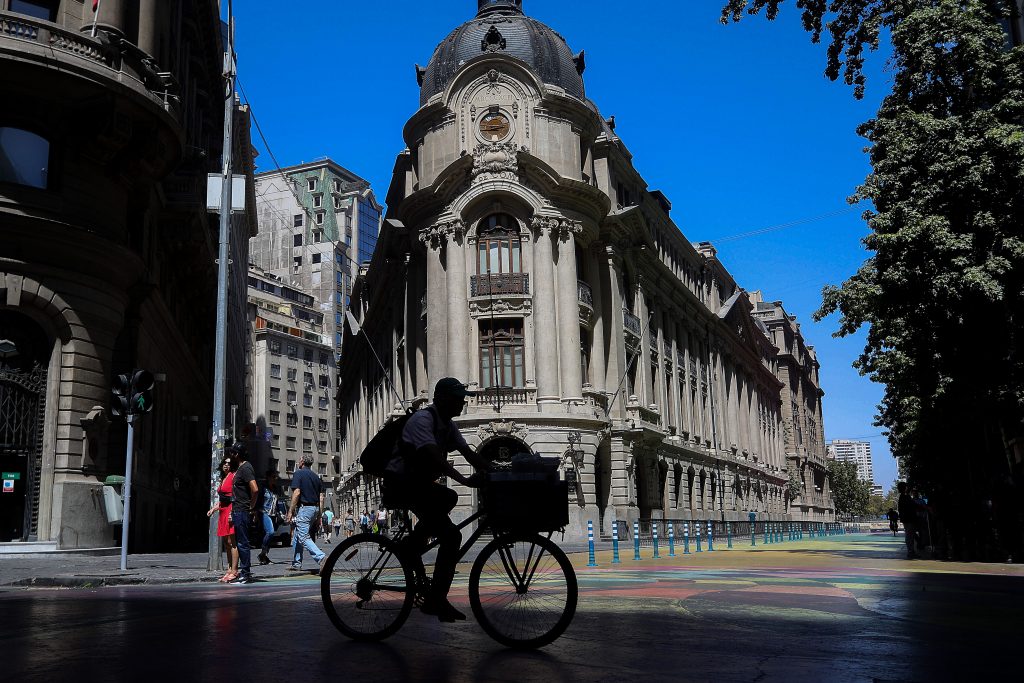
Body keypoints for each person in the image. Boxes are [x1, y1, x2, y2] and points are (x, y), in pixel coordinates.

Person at [383, 377, 490, 622]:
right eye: (458, 398)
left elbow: (469, 454)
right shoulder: (423, 420)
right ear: (441, 398)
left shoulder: (448, 425)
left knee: (449, 497)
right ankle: (436, 600)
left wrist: (497, 472)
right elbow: (434, 458)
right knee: (452, 537)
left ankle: (411, 547)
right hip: (401, 484)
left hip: (417, 485)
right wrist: (464, 480)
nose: (462, 403)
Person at [285, 453, 326, 572]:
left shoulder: (298, 473)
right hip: (315, 509)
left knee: (303, 537)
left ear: (302, 462)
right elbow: (321, 497)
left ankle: (322, 558)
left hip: (305, 508)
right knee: (298, 535)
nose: (298, 462)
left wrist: (290, 511)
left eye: (299, 460)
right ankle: (297, 563)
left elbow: (296, 493)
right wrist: (319, 515)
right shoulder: (316, 477)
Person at [228, 444, 259, 584]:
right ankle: (244, 572)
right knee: (240, 542)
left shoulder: (246, 468)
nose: (230, 456)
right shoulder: (241, 468)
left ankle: (245, 574)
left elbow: (255, 489)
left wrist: (251, 505)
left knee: (242, 543)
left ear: (237, 454)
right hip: (238, 510)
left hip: (242, 510)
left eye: (232, 454)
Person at [207, 456, 238, 582]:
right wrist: (213, 509)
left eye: (229, 463)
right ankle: (229, 569)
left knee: (232, 542)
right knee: (226, 543)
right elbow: (222, 499)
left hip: (230, 510)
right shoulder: (223, 478)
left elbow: (236, 496)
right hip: (223, 511)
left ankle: (235, 571)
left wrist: (233, 512)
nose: (226, 465)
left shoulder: (233, 476)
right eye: (225, 463)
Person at [257, 470, 281, 565]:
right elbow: (258, 500)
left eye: (276, 477)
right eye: (274, 477)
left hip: (273, 514)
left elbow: (276, 502)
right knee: (270, 532)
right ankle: (263, 552)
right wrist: (255, 512)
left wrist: (280, 513)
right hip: (264, 512)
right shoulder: (263, 487)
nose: (276, 479)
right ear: (269, 477)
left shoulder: (276, 488)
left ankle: (264, 556)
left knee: (271, 535)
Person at [897, 482, 919, 559]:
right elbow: (912, 506)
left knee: (910, 535)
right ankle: (911, 552)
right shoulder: (905, 497)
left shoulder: (903, 497)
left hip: (907, 519)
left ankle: (911, 551)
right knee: (909, 535)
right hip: (909, 519)